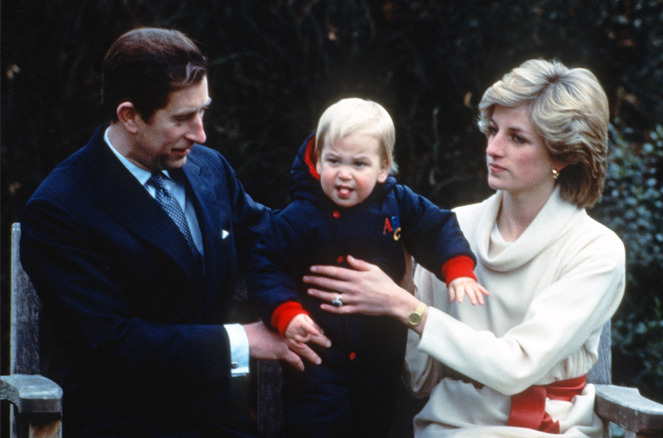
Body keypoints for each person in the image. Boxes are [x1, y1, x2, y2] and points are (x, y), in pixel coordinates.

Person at [19, 27, 321, 437]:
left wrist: (376, 233)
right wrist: (241, 340)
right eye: (182, 118)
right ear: (129, 116)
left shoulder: (208, 168)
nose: (201, 133)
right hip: (124, 424)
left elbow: (275, 238)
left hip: (222, 421)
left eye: (203, 111)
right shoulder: (61, 208)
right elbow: (111, 343)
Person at [304, 59, 626, 437]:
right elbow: (421, 380)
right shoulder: (455, 228)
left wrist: (403, 305)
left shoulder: (595, 250)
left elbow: (515, 367)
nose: (493, 148)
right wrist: (405, 290)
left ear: (564, 155)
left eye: (517, 138)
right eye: (492, 130)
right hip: (452, 429)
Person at [246, 97, 489, 437]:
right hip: (319, 354)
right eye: (333, 160)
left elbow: (437, 228)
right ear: (317, 161)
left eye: (359, 164)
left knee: (374, 423)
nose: (344, 174)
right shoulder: (299, 217)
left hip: (380, 351)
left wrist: (458, 268)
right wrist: (287, 313)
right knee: (314, 425)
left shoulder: (397, 203)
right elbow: (267, 265)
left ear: (383, 168)